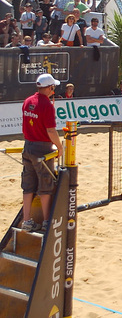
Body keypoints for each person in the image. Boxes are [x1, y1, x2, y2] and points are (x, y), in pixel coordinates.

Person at [20, 73, 64, 232]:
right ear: (50, 87)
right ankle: (46, 221)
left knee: (28, 185)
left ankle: (27, 221)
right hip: (42, 148)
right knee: (46, 185)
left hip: (28, 146)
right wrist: (60, 147)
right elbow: (51, 131)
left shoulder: (28, 101)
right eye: (53, 87)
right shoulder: (46, 105)